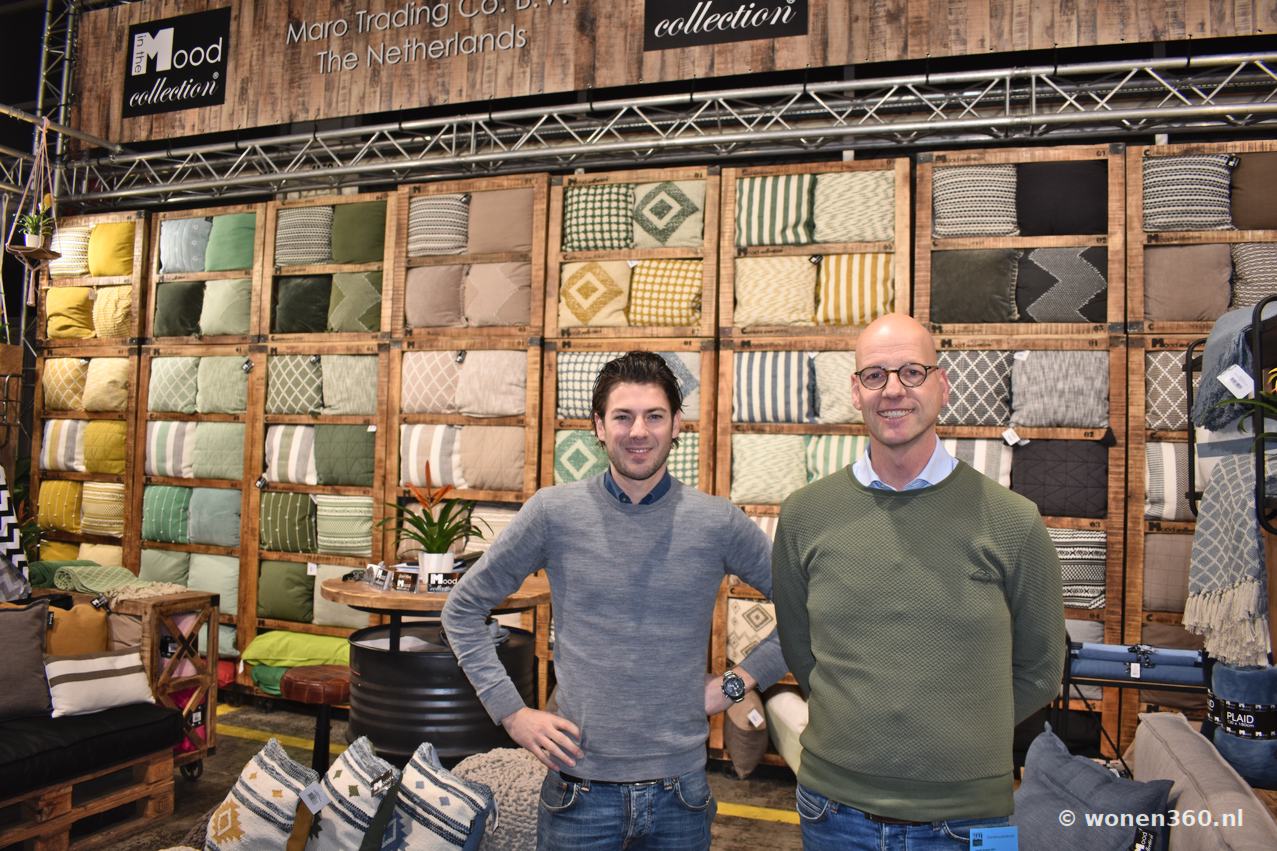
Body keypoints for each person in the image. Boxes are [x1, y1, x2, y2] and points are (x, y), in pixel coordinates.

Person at [442, 351, 787, 851]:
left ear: (677, 426)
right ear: (599, 427)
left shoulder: (717, 522)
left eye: (654, 416)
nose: (638, 431)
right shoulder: (553, 513)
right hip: (579, 791)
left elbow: (805, 611)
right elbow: (462, 609)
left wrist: (735, 685)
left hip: (681, 794)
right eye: (623, 417)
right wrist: (512, 714)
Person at [771, 314, 1065, 849]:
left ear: (942, 386)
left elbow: (1042, 671)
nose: (893, 390)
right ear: (855, 392)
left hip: (974, 816)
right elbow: (800, 649)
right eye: (875, 375)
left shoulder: (1014, 521)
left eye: (912, 371)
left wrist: (958, 733)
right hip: (832, 809)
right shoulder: (804, 515)